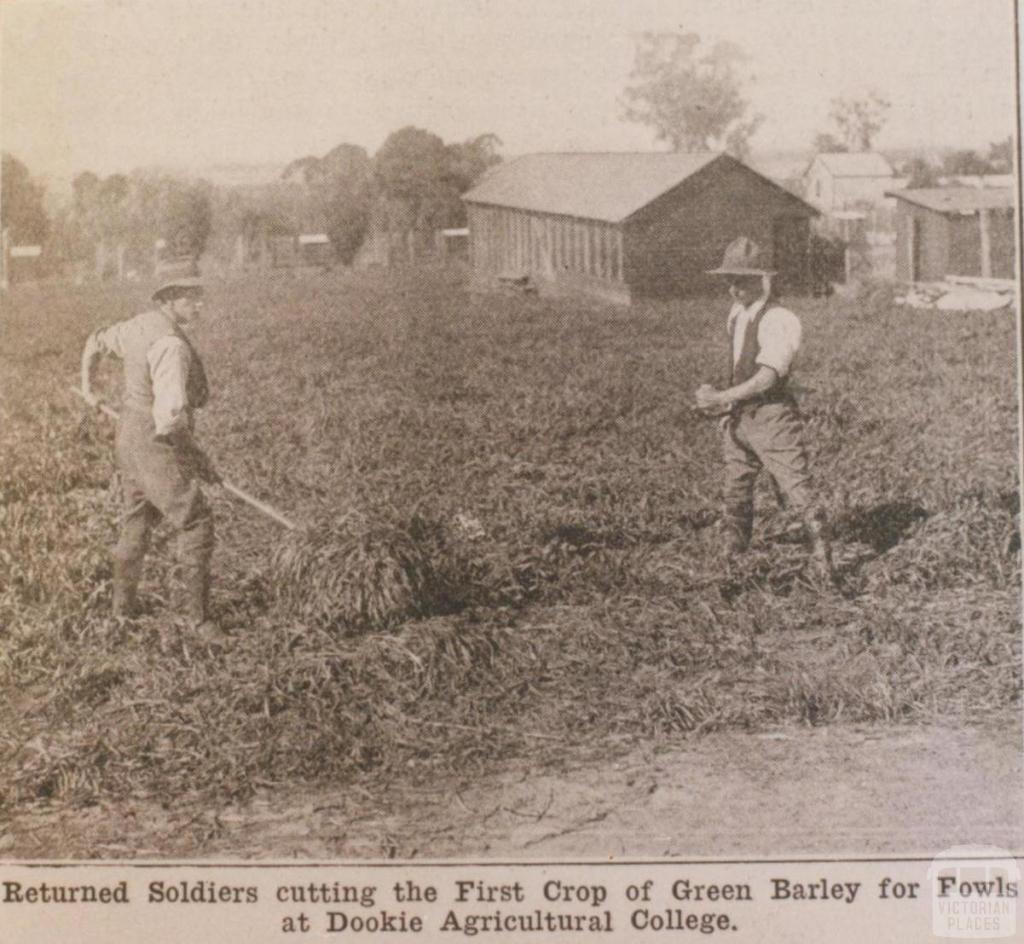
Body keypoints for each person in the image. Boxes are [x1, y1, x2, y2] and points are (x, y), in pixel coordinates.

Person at [80, 260, 224, 638]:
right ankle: (200, 621)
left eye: (199, 297)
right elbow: (172, 419)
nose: (199, 305)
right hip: (154, 442)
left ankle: (121, 614)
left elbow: (94, 342)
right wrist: (197, 457)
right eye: (192, 298)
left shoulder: (138, 326)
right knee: (196, 520)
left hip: (128, 436)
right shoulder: (172, 346)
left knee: (138, 520)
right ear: (171, 299)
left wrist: (88, 387)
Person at [694, 236, 834, 585]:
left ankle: (823, 563)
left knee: (796, 488)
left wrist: (724, 395)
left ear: (762, 279)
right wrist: (724, 404)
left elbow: (767, 377)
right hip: (739, 418)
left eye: (741, 280)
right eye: (729, 280)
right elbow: (741, 368)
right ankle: (732, 562)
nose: (733, 288)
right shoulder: (737, 315)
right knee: (736, 489)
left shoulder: (780, 319)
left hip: (771, 417)